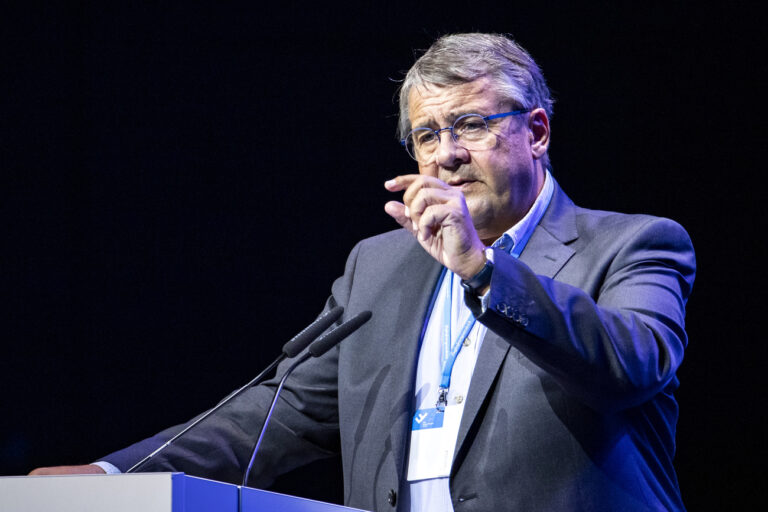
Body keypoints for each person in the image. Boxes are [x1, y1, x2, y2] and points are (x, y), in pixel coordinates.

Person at [30, 33, 695, 511]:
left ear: (538, 132)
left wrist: (483, 269)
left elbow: (633, 364)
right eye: (427, 136)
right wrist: (115, 472)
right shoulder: (379, 265)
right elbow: (282, 408)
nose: (449, 155)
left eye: (471, 124)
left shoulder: (633, 244)